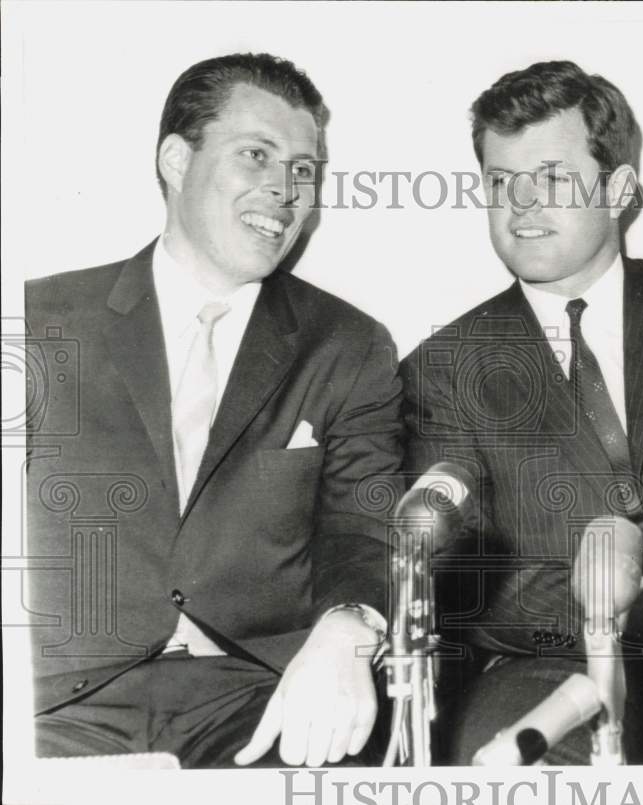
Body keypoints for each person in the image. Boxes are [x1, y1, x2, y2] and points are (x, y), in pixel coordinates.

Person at [401, 60, 643, 764]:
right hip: (550, 663)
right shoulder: (441, 368)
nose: (520, 205)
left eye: (552, 177)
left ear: (618, 190)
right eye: (499, 182)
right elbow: (479, 585)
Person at [24, 53, 403, 768]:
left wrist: (350, 625)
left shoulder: (347, 345)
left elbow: (368, 526)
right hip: (61, 704)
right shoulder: (40, 320)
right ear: (175, 158)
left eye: (303, 170)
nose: (285, 190)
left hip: (261, 696)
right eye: (256, 155)